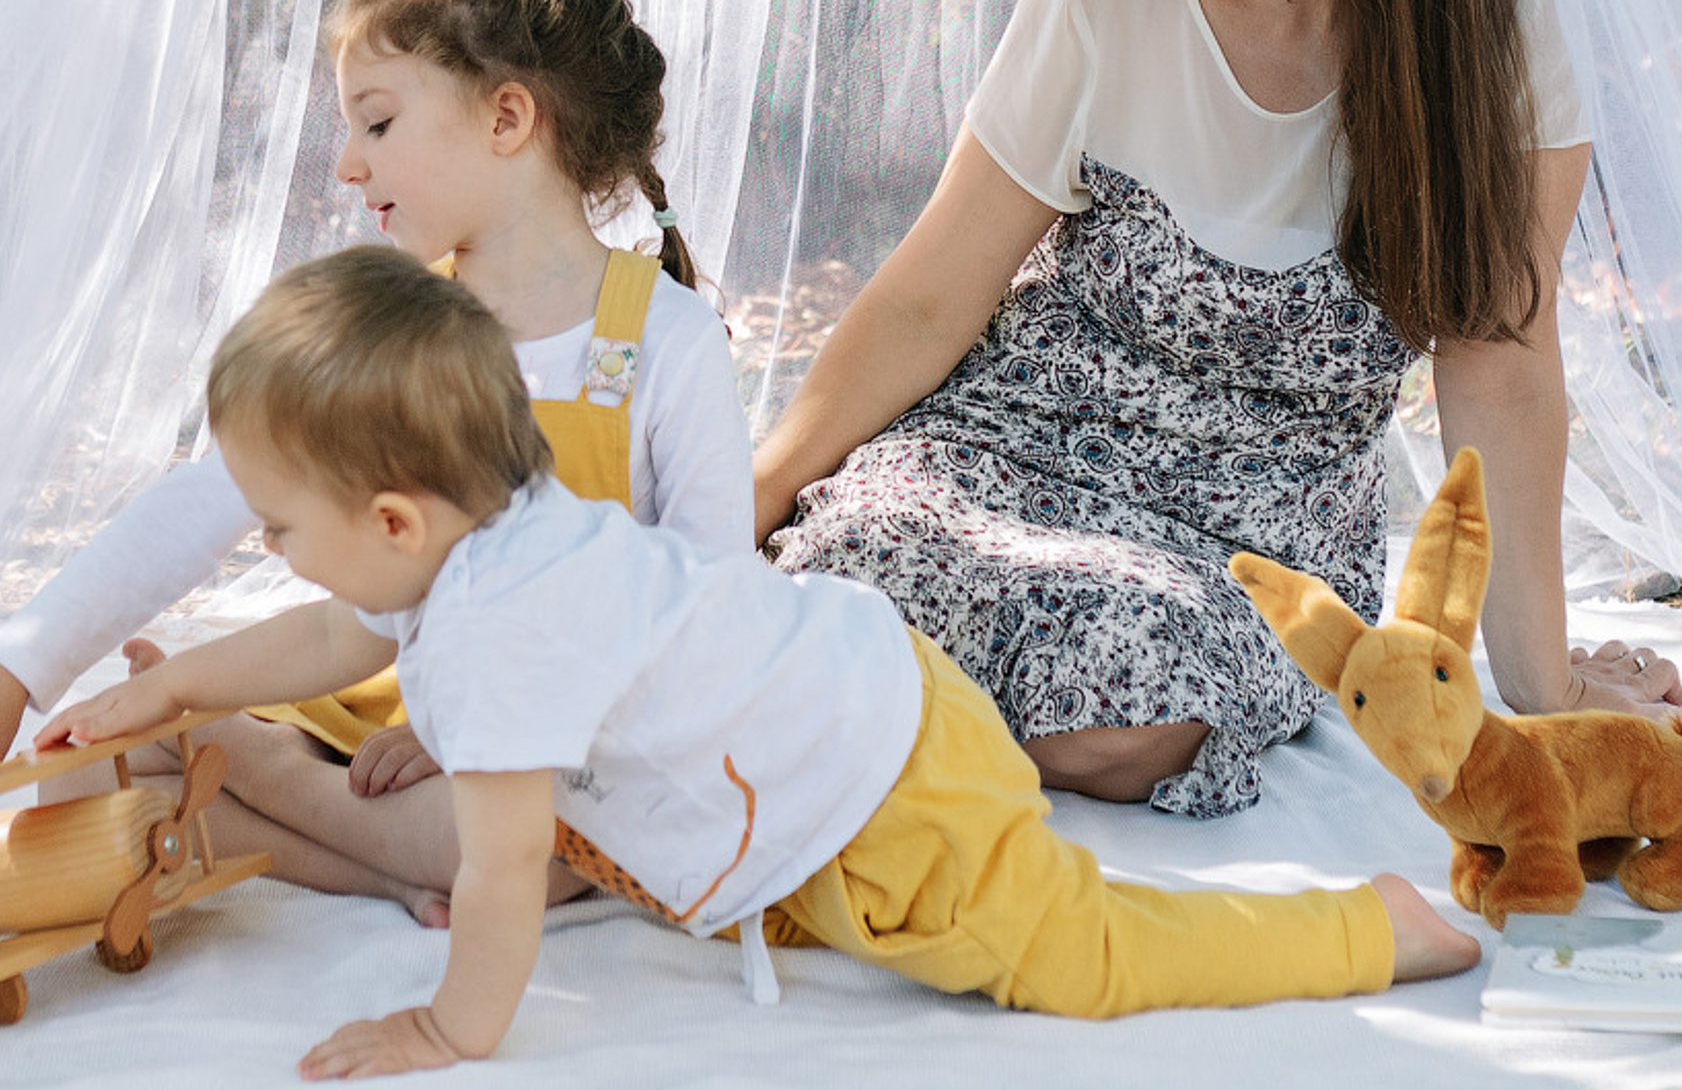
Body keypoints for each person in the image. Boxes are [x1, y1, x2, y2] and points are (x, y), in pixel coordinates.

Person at [41, 248, 1480, 1078]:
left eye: (282, 525)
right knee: (806, 898)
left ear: (398, 517)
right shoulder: (499, 528)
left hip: (888, 775)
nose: (276, 551)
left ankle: (1374, 928)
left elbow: (493, 868)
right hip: (850, 713)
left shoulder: (502, 624)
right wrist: (182, 683)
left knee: (1079, 960)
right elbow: (345, 634)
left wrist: (446, 1025)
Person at [756, 0, 1682, 820]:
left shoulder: (1499, 20)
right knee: (885, 570)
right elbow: (929, 304)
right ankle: (787, 666)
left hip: (1256, 543)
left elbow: (1503, 369)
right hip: (1002, 465)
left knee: (1144, 712)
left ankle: (822, 693)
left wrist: (1546, 691)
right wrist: (737, 505)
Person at [0, 0, 751, 921]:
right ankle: (383, 865)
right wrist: (24, 669)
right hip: (369, 702)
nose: (348, 165)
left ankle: (273, 787)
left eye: (379, 122)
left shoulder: (669, 337)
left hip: (560, 741)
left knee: (561, 841)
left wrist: (456, 736)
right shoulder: (383, 334)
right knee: (74, 777)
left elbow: (707, 615)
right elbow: (209, 501)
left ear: (508, 117)